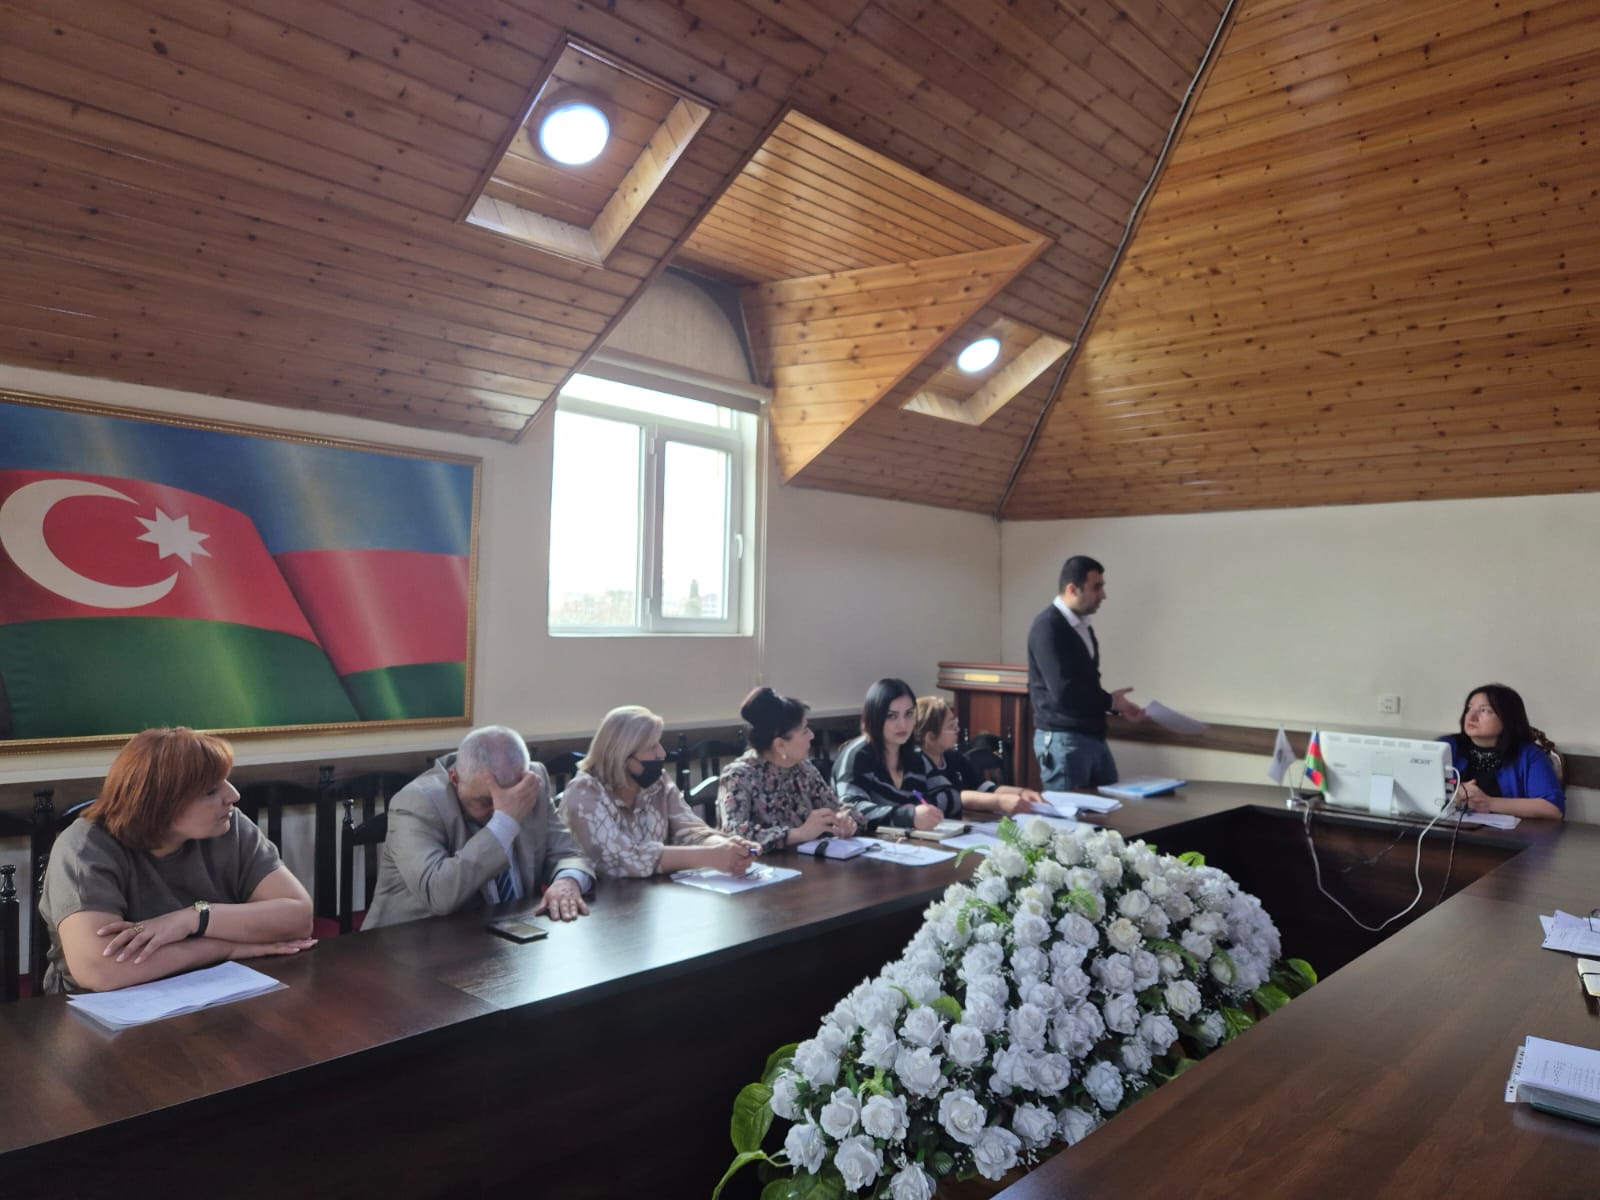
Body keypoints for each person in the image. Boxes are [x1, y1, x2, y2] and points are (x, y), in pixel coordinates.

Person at [37, 727, 316, 993]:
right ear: (161, 804)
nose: (233, 795)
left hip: (211, 988)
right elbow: (100, 971)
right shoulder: (84, 848)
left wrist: (194, 918)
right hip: (100, 1008)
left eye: (226, 781)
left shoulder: (230, 826)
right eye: (211, 791)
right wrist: (223, 948)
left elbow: (299, 918)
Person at [363, 726, 595, 929]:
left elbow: (570, 853)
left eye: (510, 800)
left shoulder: (529, 785)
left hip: (502, 938)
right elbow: (439, 895)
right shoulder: (417, 802)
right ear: (454, 779)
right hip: (410, 945)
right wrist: (504, 822)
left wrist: (567, 881)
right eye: (485, 801)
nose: (498, 809)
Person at [562, 705, 760, 877]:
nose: (662, 753)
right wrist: (711, 856)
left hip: (653, 897)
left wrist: (725, 846)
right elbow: (621, 860)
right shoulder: (584, 792)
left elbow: (689, 831)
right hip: (601, 902)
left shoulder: (658, 782)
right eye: (652, 747)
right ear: (622, 755)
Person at [1027, 554, 1145, 790]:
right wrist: (1110, 701)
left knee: (1111, 810)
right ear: (1073, 589)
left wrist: (1115, 705)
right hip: (1063, 740)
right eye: (1096, 587)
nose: (1103, 594)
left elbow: (1085, 685)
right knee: (1071, 814)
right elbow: (1065, 692)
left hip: (1091, 735)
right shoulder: (1048, 627)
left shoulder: (1082, 626)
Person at [718, 687, 859, 851]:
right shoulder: (738, 775)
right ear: (780, 745)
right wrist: (799, 833)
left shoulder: (803, 768)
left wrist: (845, 819)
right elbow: (733, 836)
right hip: (762, 865)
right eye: (804, 731)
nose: (812, 736)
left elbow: (836, 807)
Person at [832, 678, 953, 832]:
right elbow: (851, 809)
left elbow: (950, 795)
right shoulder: (857, 755)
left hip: (909, 842)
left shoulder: (916, 757)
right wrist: (906, 815)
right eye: (891, 716)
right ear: (875, 718)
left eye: (909, 714)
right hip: (863, 844)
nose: (903, 724)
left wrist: (922, 809)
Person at [1442, 684, 1565, 820]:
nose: (1471, 717)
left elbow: (1553, 808)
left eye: (1484, 710)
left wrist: (1489, 803)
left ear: (1507, 718)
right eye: (1469, 708)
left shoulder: (1529, 755)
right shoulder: (1446, 746)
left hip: (1508, 832)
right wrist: (1453, 793)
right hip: (1448, 827)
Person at [913, 696, 1045, 817]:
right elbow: (956, 796)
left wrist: (1021, 792)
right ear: (930, 737)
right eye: (951, 726)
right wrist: (999, 801)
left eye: (956, 722)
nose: (957, 729)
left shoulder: (953, 757)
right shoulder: (918, 764)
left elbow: (983, 787)